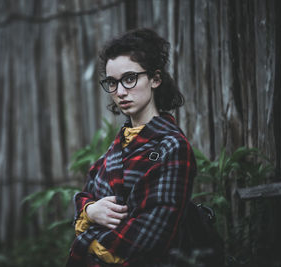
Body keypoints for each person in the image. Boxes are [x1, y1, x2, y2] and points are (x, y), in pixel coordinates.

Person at [66, 28, 197, 267]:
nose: (120, 92)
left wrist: (89, 240)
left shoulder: (173, 147)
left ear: (155, 79)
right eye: (112, 83)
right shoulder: (117, 145)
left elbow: (152, 234)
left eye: (129, 79)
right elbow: (84, 194)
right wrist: (91, 211)